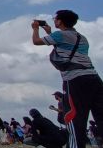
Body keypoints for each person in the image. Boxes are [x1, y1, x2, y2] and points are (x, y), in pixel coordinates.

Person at [32, 10, 103, 148]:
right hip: (94, 79)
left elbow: (36, 41)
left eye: (55, 18)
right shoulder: (82, 38)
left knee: (74, 119)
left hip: (75, 80)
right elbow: (63, 48)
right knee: (101, 116)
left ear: (60, 21)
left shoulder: (59, 35)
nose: (54, 20)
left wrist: (35, 29)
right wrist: (50, 33)